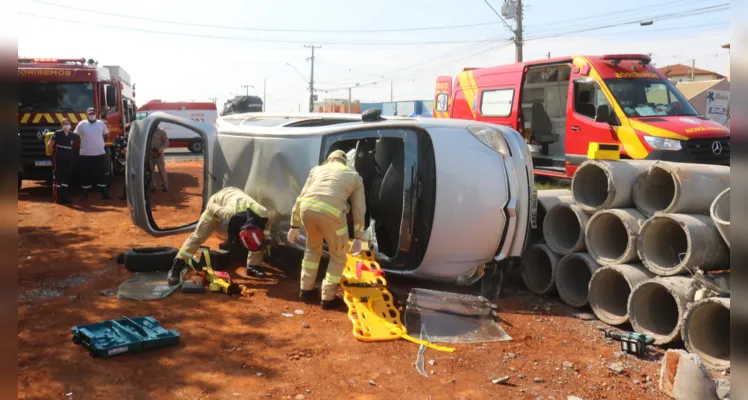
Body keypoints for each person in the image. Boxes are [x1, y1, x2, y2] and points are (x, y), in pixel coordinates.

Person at [287, 150, 366, 310]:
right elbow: (359, 209)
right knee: (338, 255)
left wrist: (294, 225)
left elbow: (301, 197)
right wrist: (358, 237)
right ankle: (327, 298)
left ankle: (306, 290)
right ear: (344, 162)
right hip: (332, 215)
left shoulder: (316, 170)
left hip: (307, 211)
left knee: (312, 248)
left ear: (329, 160)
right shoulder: (354, 176)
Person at [167, 186, 270, 286]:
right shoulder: (227, 213)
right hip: (216, 202)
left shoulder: (264, 214)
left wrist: (265, 241)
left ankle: (253, 266)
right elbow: (210, 205)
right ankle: (177, 265)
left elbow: (261, 237)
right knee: (199, 236)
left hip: (236, 197)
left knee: (256, 240)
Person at [74, 107, 111, 200]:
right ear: (87, 114)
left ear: (96, 113)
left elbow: (106, 135)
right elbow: (75, 136)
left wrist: (99, 143)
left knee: (102, 174)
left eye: (93, 113)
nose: (92, 115)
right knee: (85, 175)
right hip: (85, 155)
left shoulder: (101, 123)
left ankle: (104, 194)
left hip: (100, 154)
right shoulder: (82, 124)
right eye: (90, 113)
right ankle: (85, 195)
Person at [46, 118, 77, 204]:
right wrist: (52, 153)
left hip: (68, 156)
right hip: (59, 155)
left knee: (66, 177)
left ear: (70, 125)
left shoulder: (72, 135)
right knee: (58, 176)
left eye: (68, 123)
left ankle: (65, 197)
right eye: (64, 123)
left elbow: (75, 145)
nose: (66, 125)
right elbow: (50, 144)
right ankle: (57, 198)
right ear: (62, 125)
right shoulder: (58, 133)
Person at [150, 127, 169, 192]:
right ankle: (153, 186)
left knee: (162, 170)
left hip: (159, 154)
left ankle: (165, 185)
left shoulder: (161, 131)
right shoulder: (147, 131)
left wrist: (161, 149)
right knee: (151, 170)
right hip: (150, 154)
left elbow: (166, 141)